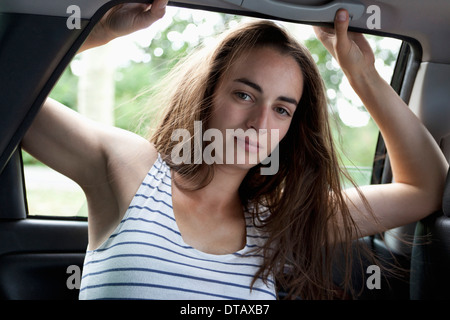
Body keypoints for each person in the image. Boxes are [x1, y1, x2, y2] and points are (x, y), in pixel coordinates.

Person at [22, 0, 448, 299]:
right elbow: (11, 91)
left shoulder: (279, 222)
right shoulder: (131, 169)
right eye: (245, 95)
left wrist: (364, 77)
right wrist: (94, 29)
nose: (260, 124)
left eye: (282, 109)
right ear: (207, 94)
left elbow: (426, 187)